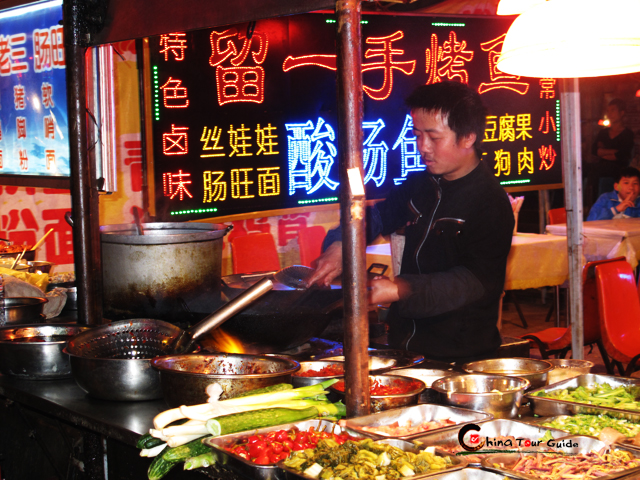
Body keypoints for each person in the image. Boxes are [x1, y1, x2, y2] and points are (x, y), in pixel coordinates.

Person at [307, 81, 514, 364]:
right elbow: (376, 217)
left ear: (468, 137)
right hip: (406, 346)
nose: (422, 147)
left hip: (459, 354)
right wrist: (341, 245)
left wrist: (400, 289)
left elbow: (474, 281)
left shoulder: (490, 202)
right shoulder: (420, 185)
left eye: (433, 137)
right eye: (417, 135)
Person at [587, 98, 635, 203]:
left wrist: (603, 152)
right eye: (608, 111)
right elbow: (595, 151)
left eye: (613, 110)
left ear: (622, 113)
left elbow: (622, 155)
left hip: (618, 172)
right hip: (600, 171)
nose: (610, 114)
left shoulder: (627, 134)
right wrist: (613, 152)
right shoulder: (603, 133)